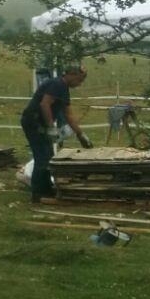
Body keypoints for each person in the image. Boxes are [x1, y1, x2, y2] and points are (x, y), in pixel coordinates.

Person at [21, 66, 91, 202]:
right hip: (34, 123)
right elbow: (45, 104)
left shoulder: (63, 89)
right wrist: (50, 127)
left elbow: (68, 113)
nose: (80, 83)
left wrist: (80, 134)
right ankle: (38, 193)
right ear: (72, 75)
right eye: (79, 80)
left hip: (41, 124)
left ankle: (46, 189)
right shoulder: (56, 84)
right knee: (42, 157)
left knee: (48, 157)